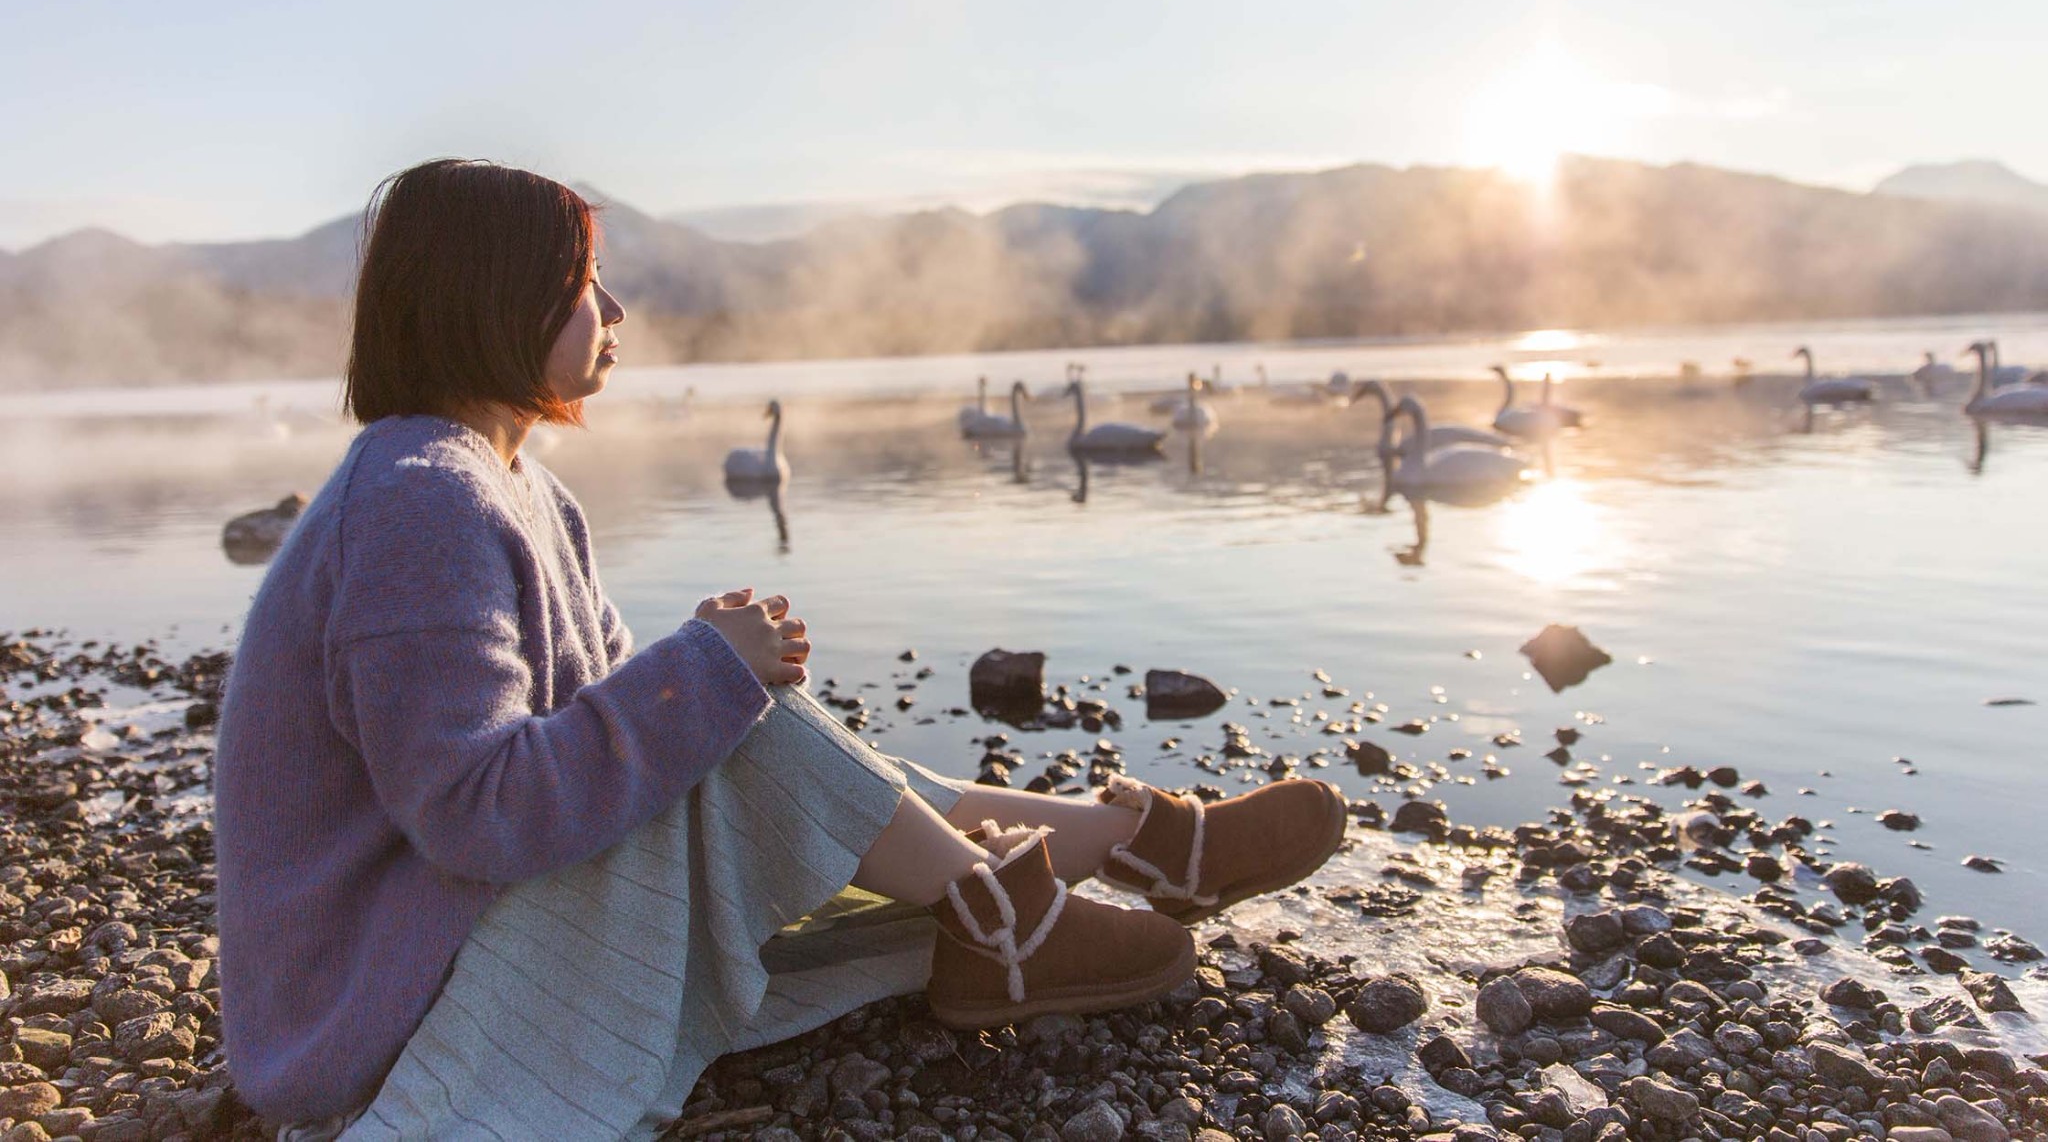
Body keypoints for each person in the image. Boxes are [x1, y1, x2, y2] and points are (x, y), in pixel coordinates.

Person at [213, 159, 1348, 1140]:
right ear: (493, 301)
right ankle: (1016, 917)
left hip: (442, 950)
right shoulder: (419, 501)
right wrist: (705, 673)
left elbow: (600, 729)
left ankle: (1125, 850)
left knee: (732, 718)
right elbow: (475, 809)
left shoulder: (512, 489)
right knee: (726, 720)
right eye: (580, 284)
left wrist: (701, 675)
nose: (615, 307)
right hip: (376, 1020)